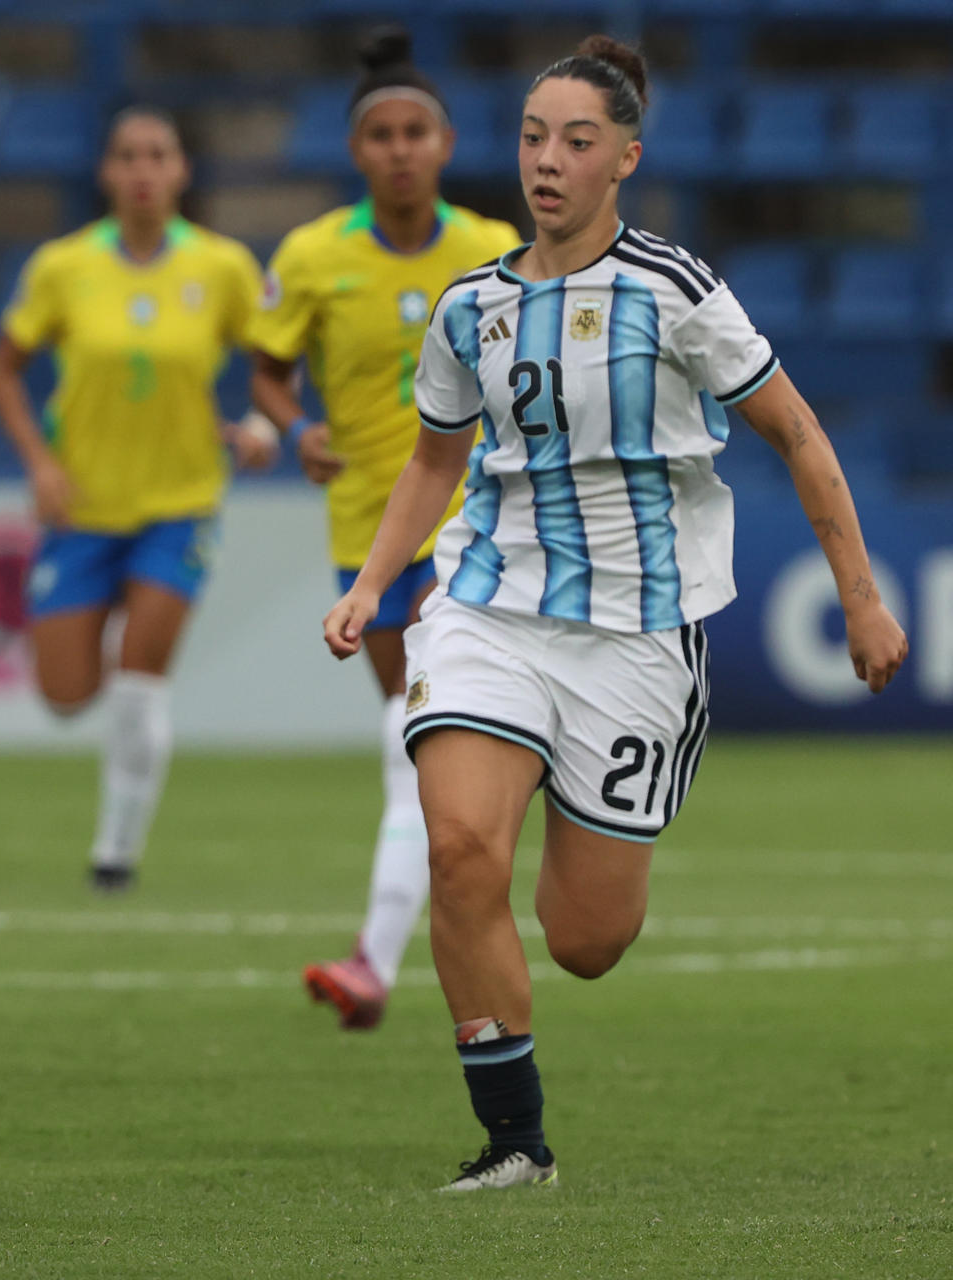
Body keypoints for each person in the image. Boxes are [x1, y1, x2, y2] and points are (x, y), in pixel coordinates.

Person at [321, 37, 906, 1191]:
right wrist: (372, 580)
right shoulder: (471, 306)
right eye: (534, 136)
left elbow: (797, 433)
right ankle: (513, 1142)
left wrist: (863, 597)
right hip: (488, 600)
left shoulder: (674, 292)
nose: (547, 160)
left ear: (625, 158)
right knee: (458, 849)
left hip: (635, 636)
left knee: (587, 940)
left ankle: (562, 807)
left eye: (577, 141)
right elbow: (436, 462)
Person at [247, 27, 520, 1029]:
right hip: (372, 530)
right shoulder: (315, 255)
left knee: (421, 730)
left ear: (445, 144)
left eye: (418, 132)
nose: (401, 149)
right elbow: (269, 372)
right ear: (359, 151)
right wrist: (297, 427)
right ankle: (428, 904)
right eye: (383, 134)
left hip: (487, 527)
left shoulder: (492, 248)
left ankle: (376, 951)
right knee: (421, 737)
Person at [0, 106, 270, 892]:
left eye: (158, 155)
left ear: (182, 171)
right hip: (81, 507)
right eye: (128, 156)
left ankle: (115, 854)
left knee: (142, 672)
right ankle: (107, 651)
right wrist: (40, 464)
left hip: (180, 503)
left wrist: (262, 425)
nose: (143, 169)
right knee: (67, 695)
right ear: (107, 173)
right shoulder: (63, 267)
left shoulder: (223, 268)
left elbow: (274, 360)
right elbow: (2, 370)